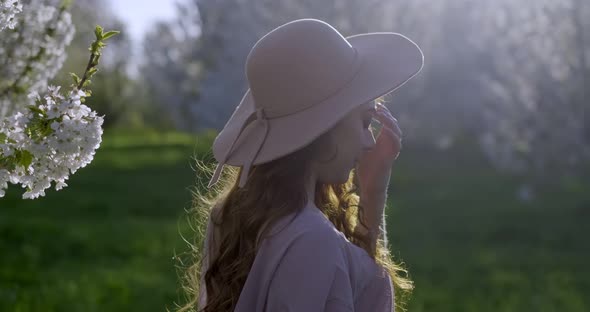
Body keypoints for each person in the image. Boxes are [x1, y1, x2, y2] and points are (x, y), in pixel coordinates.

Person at [177, 18, 423, 312]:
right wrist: (372, 198)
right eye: (364, 121)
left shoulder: (231, 217)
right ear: (324, 128)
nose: (369, 142)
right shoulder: (314, 242)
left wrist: (372, 191)